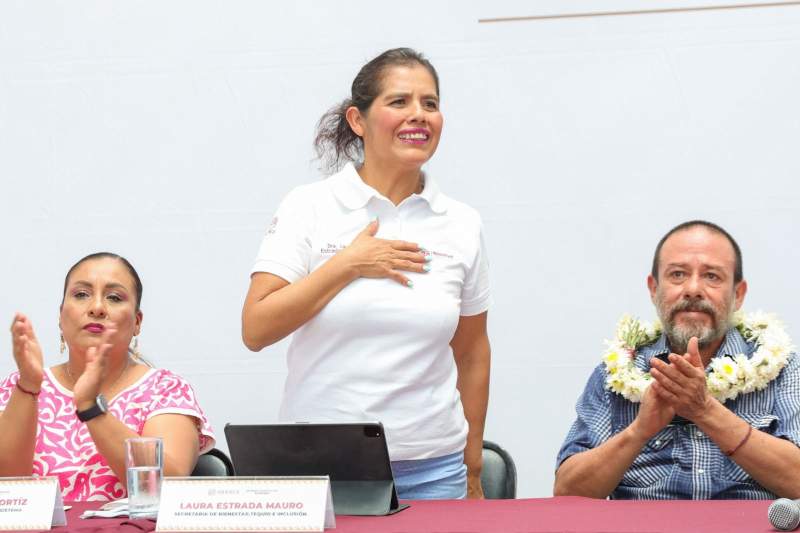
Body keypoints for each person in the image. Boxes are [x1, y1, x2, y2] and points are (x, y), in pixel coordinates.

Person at [242, 48, 491, 499]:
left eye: (430, 104)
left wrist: (472, 465)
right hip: (322, 466)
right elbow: (256, 328)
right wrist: (349, 264)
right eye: (399, 102)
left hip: (434, 469)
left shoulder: (462, 223)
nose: (418, 115)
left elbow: (472, 352)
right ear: (358, 120)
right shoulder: (309, 206)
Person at [554, 221, 800, 499]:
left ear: (738, 294)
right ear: (653, 288)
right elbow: (567, 492)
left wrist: (705, 410)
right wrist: (638, 432)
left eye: (712, 276)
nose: (693, 289)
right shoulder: (618, 370)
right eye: (678, 274)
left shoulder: (780, 367)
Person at [0, 252, 215, 501]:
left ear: (137, 322)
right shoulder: (17, 388)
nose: (97, 308)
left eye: (114, 297)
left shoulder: (164, 389)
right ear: (60, 317)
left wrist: (91, 409)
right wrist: (27, 387)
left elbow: (166, 489)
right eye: (81, 294)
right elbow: (7, 494)